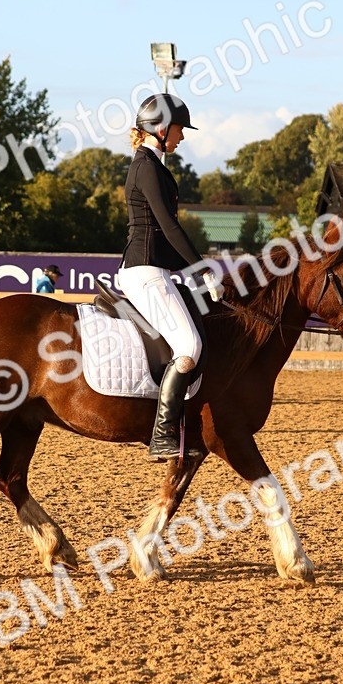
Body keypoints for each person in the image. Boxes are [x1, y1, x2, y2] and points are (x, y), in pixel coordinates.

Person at [118, 93, 220, 461]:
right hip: (145, 273)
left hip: (155, 270)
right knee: (190, 347)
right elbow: (170, 228)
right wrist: (202, 268)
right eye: (179, 129)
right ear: (161, 129)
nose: (183, 136)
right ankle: (162, 434)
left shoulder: (154, 164)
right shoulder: (146, 167)